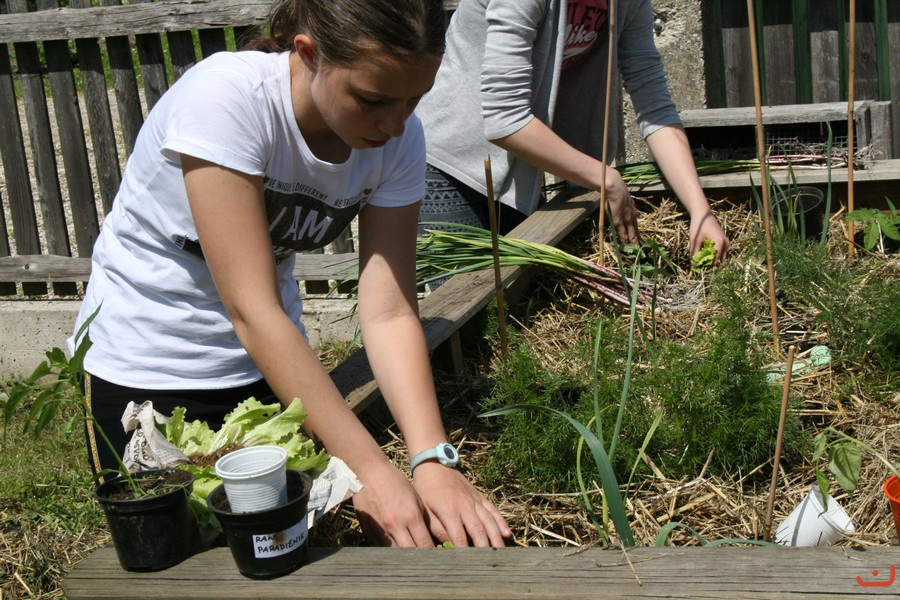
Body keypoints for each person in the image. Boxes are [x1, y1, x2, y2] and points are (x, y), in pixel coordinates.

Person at [69, 0, 510, 548]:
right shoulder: (228, 100)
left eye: (414, 98)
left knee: (279, 554)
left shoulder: (400, 139)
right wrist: (372, 473)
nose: (395, 123)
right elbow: (252, 309)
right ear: (309, 53)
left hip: (268, 375)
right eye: (372, 99)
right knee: (175, 560)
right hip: (146, 376)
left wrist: (432, 461)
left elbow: (391, 310)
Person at [417, 0, 729, 262]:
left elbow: (654, 105)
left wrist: (700, 211)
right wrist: (607, 179)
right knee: (474, 308)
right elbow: (505, 118)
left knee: (517, 302)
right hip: (450, 163)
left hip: (519, 175)